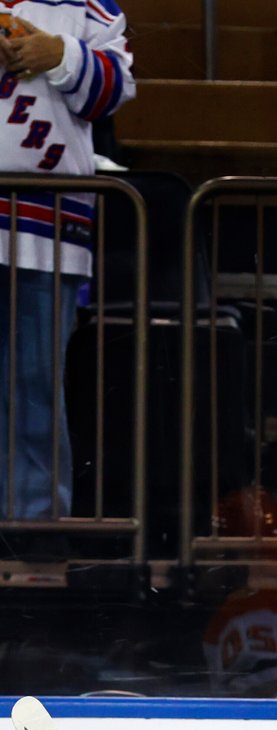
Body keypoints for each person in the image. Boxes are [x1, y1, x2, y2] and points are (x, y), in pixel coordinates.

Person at [0, 1, 135, 521]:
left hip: (49, 225)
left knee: (35, 383)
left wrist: (61, 55)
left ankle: (34, 528)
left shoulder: (91, 9)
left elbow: (114, 90)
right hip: (48, 218)